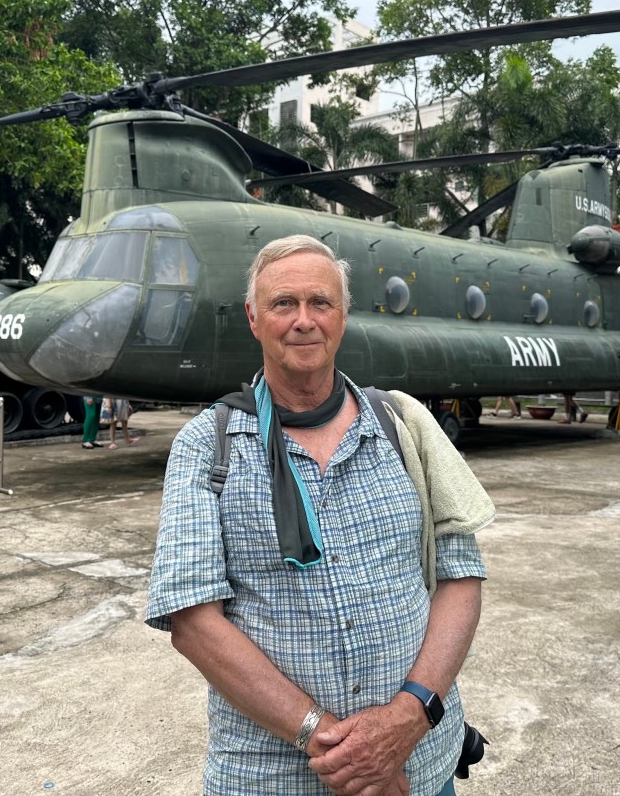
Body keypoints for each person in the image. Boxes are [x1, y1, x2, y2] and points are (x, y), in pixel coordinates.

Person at [146, 235, 492, 796]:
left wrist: (408, 717)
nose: (303, 320)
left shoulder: (403, 425)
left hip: (421, 763)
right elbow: (193, 622)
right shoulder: (206, 445)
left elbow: (461, 576)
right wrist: (346, 751)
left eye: (320, 303)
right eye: (284, 303)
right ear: (254, 318)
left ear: (343, 316)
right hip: (272, 778)